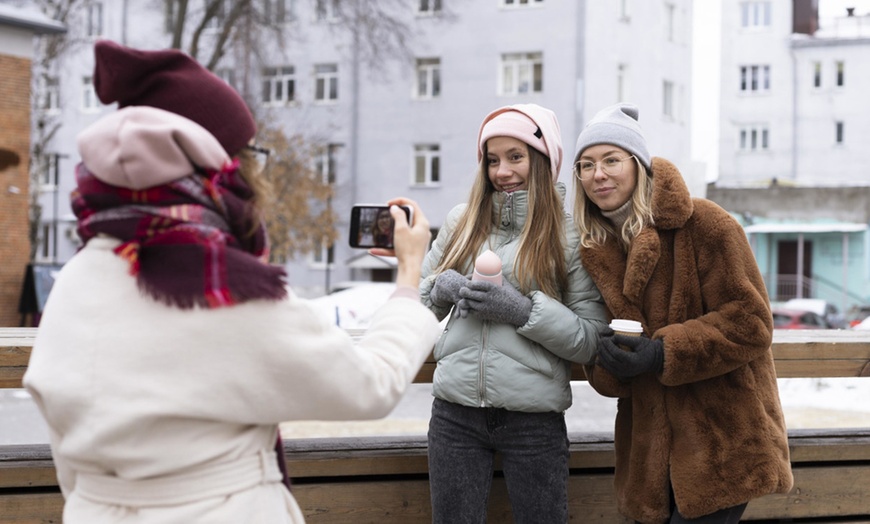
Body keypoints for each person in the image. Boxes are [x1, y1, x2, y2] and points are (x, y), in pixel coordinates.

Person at [22, 40, 441, 524]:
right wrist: (409, 275)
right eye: (250, 155)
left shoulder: (76, 278)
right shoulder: (226, 286)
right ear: (224, 166)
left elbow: (67, 451)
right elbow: (369, 385)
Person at [572, 103, 793, 524]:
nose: (597, 174)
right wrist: (608, 359)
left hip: (723, 442)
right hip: (649, 460)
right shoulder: (598, 250)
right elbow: (613, 370)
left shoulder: (705, 223)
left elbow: (751, 322)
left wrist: (662, 353)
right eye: (585, 165)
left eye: (611, 160)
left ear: (638, 165)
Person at [419, 103, 608, 523]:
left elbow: (592, 337)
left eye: (515, 156)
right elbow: (418, 306)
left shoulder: (570, 232)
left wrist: (523, 311)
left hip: (534, 422)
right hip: (454, 415)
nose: (502, 170)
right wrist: (442, 287)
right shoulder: (461, 221)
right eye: (492, 159)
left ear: (543, 160)